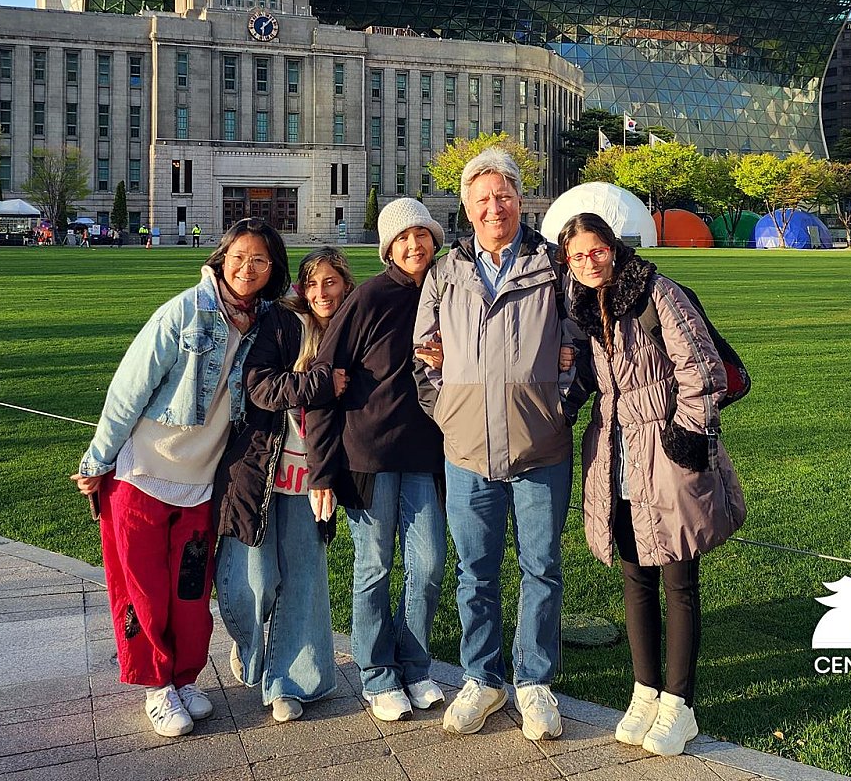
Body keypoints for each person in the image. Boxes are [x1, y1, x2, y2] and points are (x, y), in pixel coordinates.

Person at [72, 219, 291, 738]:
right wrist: (97, 460)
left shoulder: (267, 323)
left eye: (259, 260)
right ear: (221, 258)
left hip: (200, 482)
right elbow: (128, 389)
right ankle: (156, 685)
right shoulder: (184, 312)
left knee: (190, 590)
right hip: (142, 475)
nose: (247, 268)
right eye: (238, 256)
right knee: (142, 590)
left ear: (272, 269)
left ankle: (185, 676)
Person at [557, 211, 746, 757]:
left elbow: (701, 370)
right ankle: (645, 691)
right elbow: (593, 375)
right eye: (578, 255)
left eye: (597, 250)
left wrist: (688, 436)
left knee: (679, 578)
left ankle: (680, 704)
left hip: (665, 448)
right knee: (635, 574)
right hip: (616, 452)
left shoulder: (656, 293)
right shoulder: (583, 303)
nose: (589, 262)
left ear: (613, 248)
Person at [414, 149, 582, 741]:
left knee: (542, 569)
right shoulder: (446, 272)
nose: (494, 207)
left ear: (520, 201)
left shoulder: (552, 265)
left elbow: (581, 342)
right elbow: (424, 358)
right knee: (475, 572)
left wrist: (559, 402)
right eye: (482, 198)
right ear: (467, 207)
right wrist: (451, 415)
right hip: (467, 452)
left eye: (504, 195)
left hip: (541, 448)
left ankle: (534, 681)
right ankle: (482, 678)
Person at [307, 198, 450, 723]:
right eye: (403, 238)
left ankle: (414, 664)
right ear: (389, 247)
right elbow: (324, 382)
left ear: (434, 240)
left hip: (426, 452)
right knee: (375, 566)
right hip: (368, 454)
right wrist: (322, 471)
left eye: (422, 235)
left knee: (428, 565)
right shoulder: (368, 297)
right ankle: (377, 673)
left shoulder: (446, 292)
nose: (414, 245)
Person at [216, 246, 356, 724]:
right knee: (250, 583)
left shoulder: (351, 329)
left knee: (302, 583)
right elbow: (260, 387)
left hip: (312, 479)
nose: (321, 293)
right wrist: (320, 384)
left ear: (346, 285)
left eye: (331, 282)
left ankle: (290, 682)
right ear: (300, 287)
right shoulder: (282, 322)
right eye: (312, 283)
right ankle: (250, 645)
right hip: (262, 470)